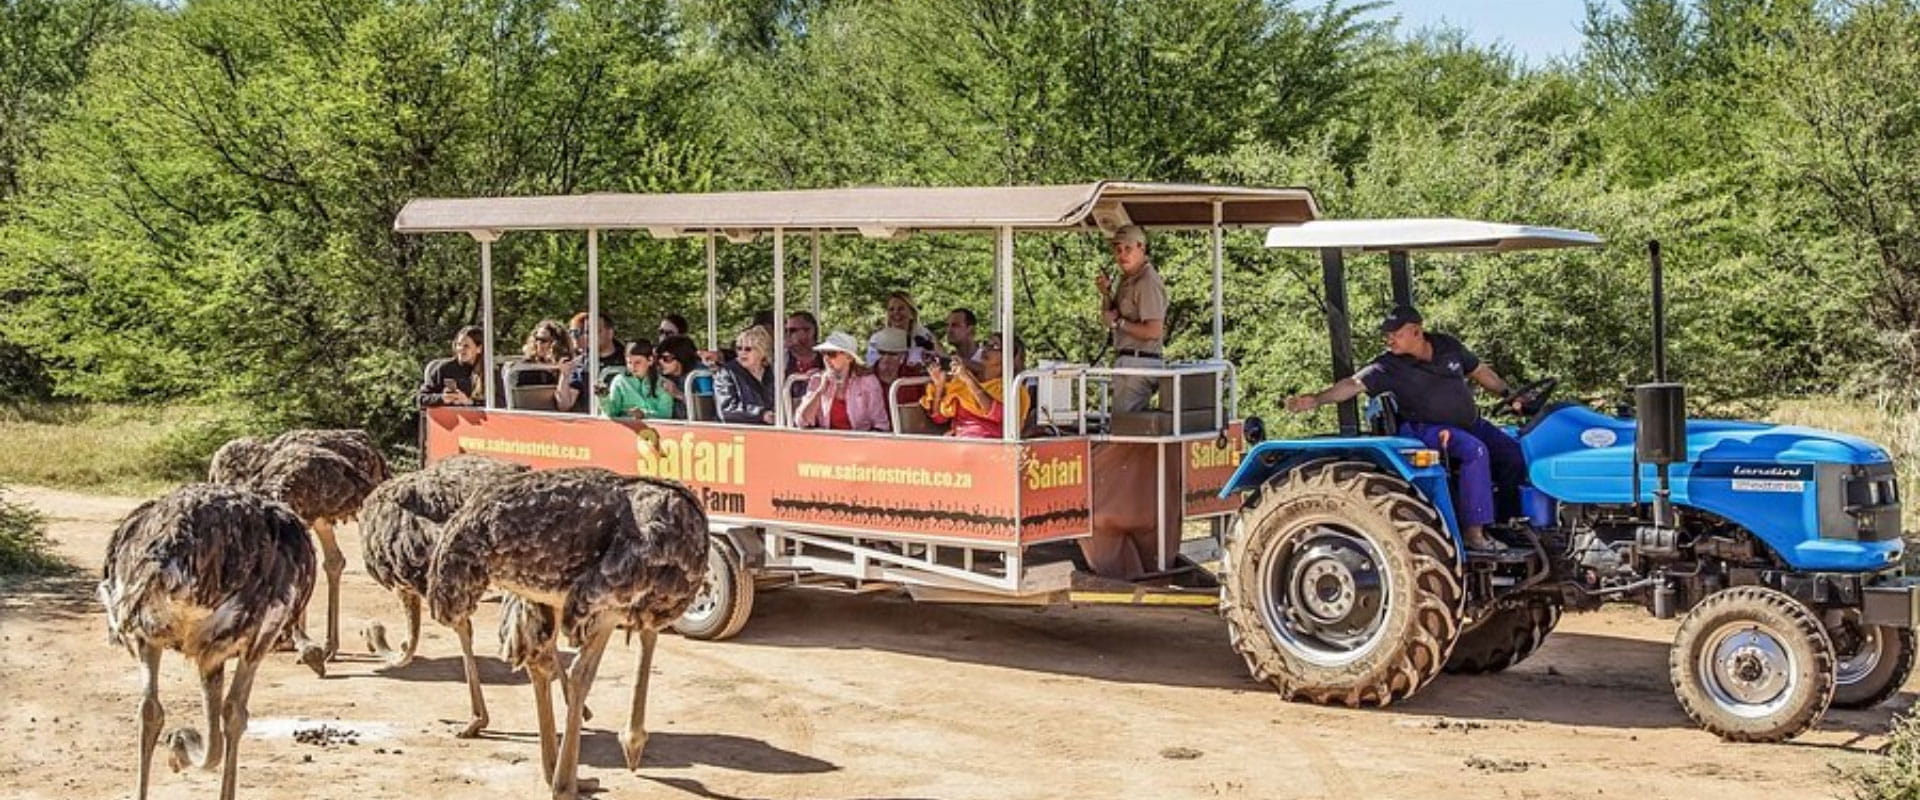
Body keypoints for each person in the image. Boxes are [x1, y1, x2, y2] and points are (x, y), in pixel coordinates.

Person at [1283, 305, 1527, 553]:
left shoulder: (1447, 346)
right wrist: (1316, 399)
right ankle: (1474, 533)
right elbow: (1352, 384)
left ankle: (1505, 521)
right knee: (1474, 451)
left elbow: (1480, 372)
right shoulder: (1387, 366)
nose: (1389, 340)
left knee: (1514, 453)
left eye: (1395, 334)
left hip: (1471, 423)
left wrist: (1509, 395)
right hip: (1427, 430)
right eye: (1387, 335)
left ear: (1417, 331)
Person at [1097, 225, 1167, 413]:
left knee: (1126, 427)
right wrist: (1106, 294)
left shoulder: (1147, 281)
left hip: (1140, 363)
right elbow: (1113, 316)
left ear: (1141, 248)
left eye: (1128, 249)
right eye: (1118, 250)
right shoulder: (1127, 278)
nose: (1122, 255)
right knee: (1122, 423)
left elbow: (1154, 331)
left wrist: (1120, 323)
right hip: (1128, 362)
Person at [923, 333, 1029, 439]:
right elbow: (939, 418)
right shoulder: (961, 381)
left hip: (990, 446)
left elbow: (998, 415)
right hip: (958, 443)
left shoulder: (1014, 389)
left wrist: (968, 380)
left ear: (1008, 356)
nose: (986, 349)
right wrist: (939, 386)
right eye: (986, 344)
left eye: (995, 346)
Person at [795, 332, 891, 432]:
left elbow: (881, 425)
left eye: (832, 354)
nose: (826, 358)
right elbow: (802, 422)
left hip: (859, 443)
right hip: (827, 443)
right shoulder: (817, 380)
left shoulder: (868, 382)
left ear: (849, 357)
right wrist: (820, 391)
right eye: (824, 353)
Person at [555, 311, 623, 413]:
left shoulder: (629, 360)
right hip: (593, 424)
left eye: (596, 331)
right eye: (587, 332)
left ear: (610, 333)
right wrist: (564, 376)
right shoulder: (581, 363)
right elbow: (565, 405)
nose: (590, 336)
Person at [713, 325, 777, 425]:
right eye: (739, 348)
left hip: (771, 429)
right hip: (738, 431)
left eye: (748, 349)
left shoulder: (773, 371)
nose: (742, 353)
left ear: (762, 351)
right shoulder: (727, 372)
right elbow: (726, 409)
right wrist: (761, 414)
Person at [602, 340, 674, 421]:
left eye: (637, 362)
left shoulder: (663, 383)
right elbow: (611, 413)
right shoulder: (619, 381)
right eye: (629, 362)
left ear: (650, 360)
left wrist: (644, 415)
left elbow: (666, 415)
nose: (633, 367)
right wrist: (603, 397)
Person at [418, 326, 487, 407]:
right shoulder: (443, 368)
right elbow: (421, 399)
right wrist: (442, 398)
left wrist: (469, 402)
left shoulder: (489, 372)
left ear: (479, 348)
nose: (461, 349)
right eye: (459, 344)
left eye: (466, 346)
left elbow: (499, 404)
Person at [866, 290, 936, 362]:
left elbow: (937, 364)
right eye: (891, 309)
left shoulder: (925, 337)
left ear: (912, 313)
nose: (896, 312)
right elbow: (872, 366)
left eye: (901, 309)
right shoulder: (877, 339)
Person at [869, 327, 928, 405]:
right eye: (882, 352)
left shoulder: (914, 378)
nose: (886, 358)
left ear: (904, 356)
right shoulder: (865, 379)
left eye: (893, 354)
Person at [654, 334, 705, 419]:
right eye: (658, 357)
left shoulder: (699, 375)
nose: (660, 362)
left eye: (666, 358)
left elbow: (707, 409)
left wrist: (678, 394)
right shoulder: (661, 377)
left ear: (681, 356)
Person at [513, 319, 573, 389]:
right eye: (537, 339)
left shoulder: (569, 366)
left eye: (543, 340)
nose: (538, 343)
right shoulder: (527, 368)